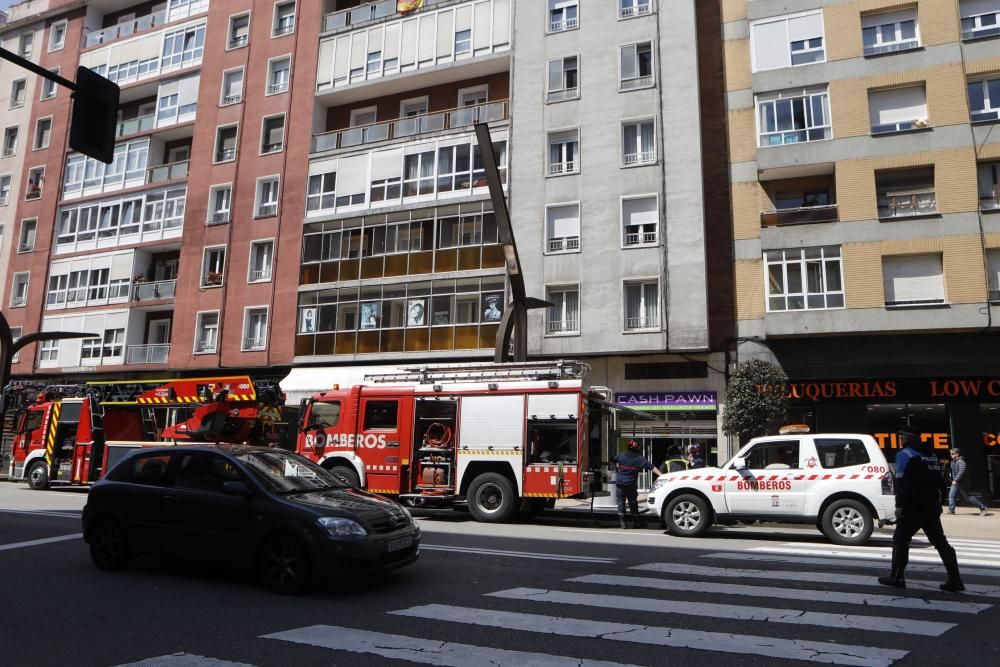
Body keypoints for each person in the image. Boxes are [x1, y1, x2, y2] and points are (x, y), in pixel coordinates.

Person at [878, 427, 965, 592]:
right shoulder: (931, 455)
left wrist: (899, 506)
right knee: (940, 542)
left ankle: (897, 577)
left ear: (908, 437)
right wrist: (938, 503)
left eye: (901, 435)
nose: (900, 438)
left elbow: (902, 483)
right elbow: (940, 482)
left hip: (912, 505)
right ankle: (955, 580)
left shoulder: (905, 454)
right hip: (930, 506)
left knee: (901, 540)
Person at [612, 440, 661, 529]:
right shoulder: (639, 458)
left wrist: (616, 465)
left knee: (621, 502)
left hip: (620, 483)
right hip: (630, 484)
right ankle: (637, 522)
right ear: (637, 448)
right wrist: (662, 475)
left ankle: (622, 523)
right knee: (633, 503)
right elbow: (651, 467)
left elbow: (613, 459)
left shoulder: (621, 455)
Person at [948, 448, 987, 516]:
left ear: (957, 454)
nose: (951, 455)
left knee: (968, 497)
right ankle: (952, 510)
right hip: (955, 483)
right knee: (951, 495)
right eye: (950, 453)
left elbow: (961, 471)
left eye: (952, 453)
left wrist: (955, 480)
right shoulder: (953, 462)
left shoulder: (961, 461)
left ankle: (983, 508)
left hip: (962, 483)